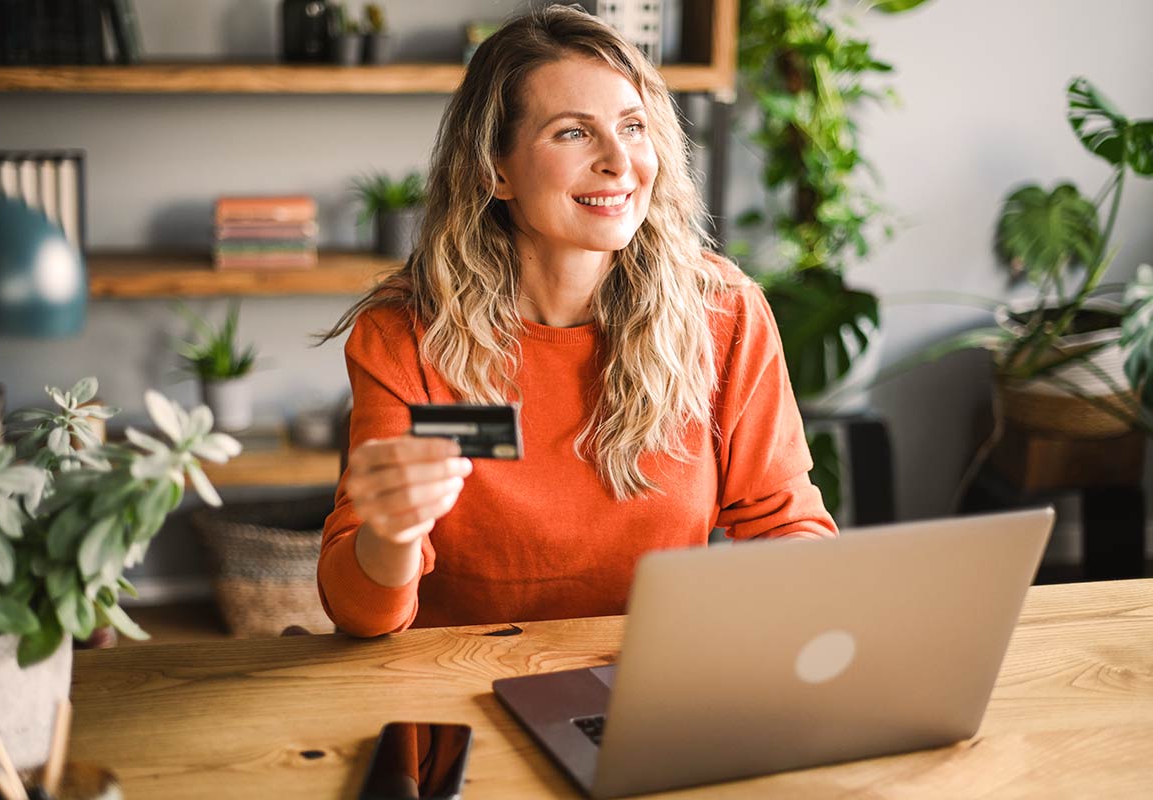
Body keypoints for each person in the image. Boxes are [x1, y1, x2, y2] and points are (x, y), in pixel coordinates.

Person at [318, 5, 837, 638]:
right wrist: (392, 530)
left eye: (634, 126)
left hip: (653, 684)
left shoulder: (723, 312)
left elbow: (786, 525)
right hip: (461, 694)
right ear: (495, 170)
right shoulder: (404, 335)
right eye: (573, 132)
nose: (620, 162)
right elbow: (361, 615)